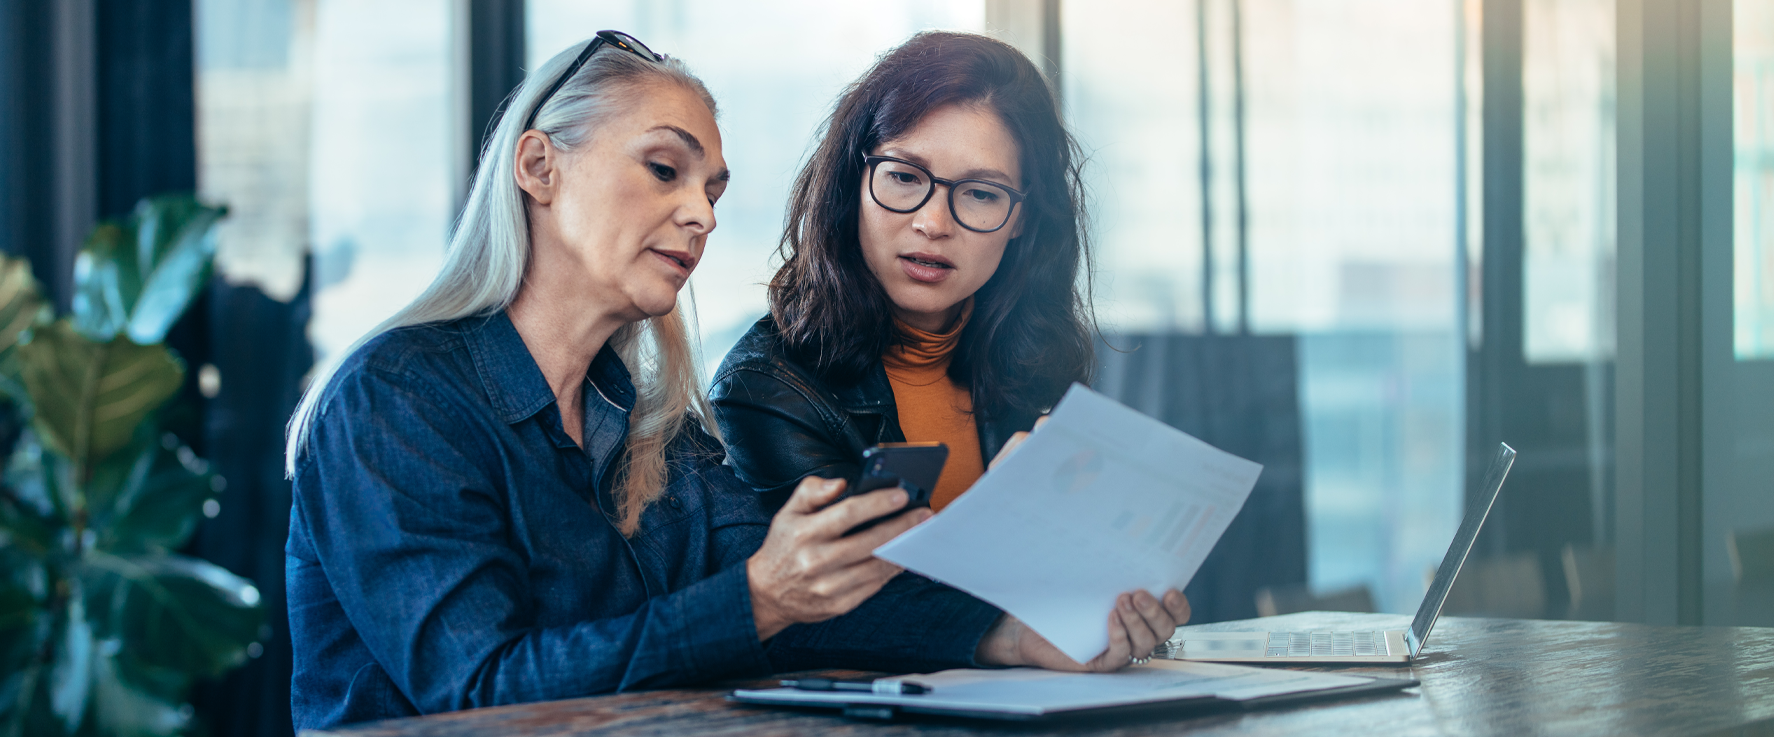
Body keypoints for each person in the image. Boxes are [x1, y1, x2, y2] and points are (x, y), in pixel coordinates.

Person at [285, 31, 1180, 731]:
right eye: (664, 169)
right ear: (538, 167)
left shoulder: (648, 420)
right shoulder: (396, 398)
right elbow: (478, 690)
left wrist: (1014, 635)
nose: (700, 213)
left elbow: (812, 601)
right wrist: (758, 595)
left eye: (712, 188)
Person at [710, 31, 1189, 666]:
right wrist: (1019, 630)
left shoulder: (1034, 359)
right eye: (905, 177)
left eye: (982, 193)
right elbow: (820, 610)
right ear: (853, 180)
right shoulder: (769, 386)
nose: (934, 223)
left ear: (1022, 219)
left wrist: (1116, 608)